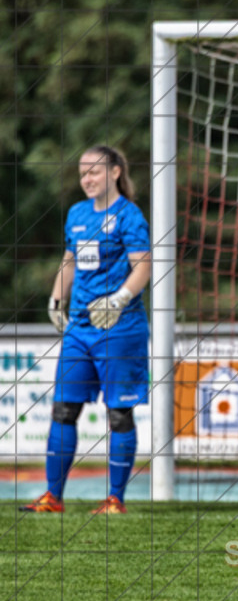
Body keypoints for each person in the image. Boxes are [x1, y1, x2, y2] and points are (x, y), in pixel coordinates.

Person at [21, 146, 151, 515]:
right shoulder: (77, 214)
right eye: (82, 173)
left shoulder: (129, 215)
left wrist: (119, 299)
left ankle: (115, 500)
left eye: (94, 171)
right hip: (79, 328)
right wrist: (56, 297)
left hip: (120, 327)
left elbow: (144, 266)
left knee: (119, 414)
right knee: (63, 409)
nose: (87, 179)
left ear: (114, 172)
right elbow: (70, 259)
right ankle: (52, 497)